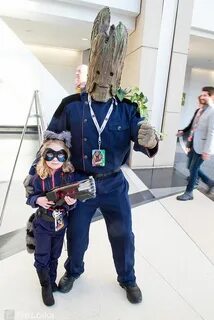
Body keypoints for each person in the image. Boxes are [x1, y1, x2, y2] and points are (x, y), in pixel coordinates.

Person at [26, 7, 158, 304]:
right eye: (98, 72)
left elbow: (143, 140)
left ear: (118, 74)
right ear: (91, 69)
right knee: (77, 235)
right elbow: (50, 142)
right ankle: (73, 271)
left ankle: (128, 278)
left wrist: (149, 139)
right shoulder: (71, 104)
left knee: (123, 234)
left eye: (109, 74)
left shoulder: (129, 108)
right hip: (81, 182)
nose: (102, 79)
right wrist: (36, 178)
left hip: (113, 183)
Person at [26, 130, 77, 306]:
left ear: (66, 157)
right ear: (43, 155)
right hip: (42, 223)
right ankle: (45, 285)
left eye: (60, 155)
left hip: (60, 223)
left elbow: (71, 203)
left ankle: (52, 279)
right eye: (50, 154)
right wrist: (37, 199)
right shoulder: (37, 177)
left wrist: (71, 202)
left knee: (55, 255)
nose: (55, 159)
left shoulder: (68, 176)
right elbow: (29, 197)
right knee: (42, 256)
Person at [177, 86, 214, 201]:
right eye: (202, 94)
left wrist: (207, 150)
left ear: (212, 97)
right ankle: (209, 182)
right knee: (190, 166)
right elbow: (193, 124)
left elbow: (211, 132)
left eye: (206, 95)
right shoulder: (200, 110)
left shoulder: (212, 111)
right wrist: (183, 131)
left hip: (203, 146)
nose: (202, 97)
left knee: (193, 169)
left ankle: (189, 192)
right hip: (193, 143)